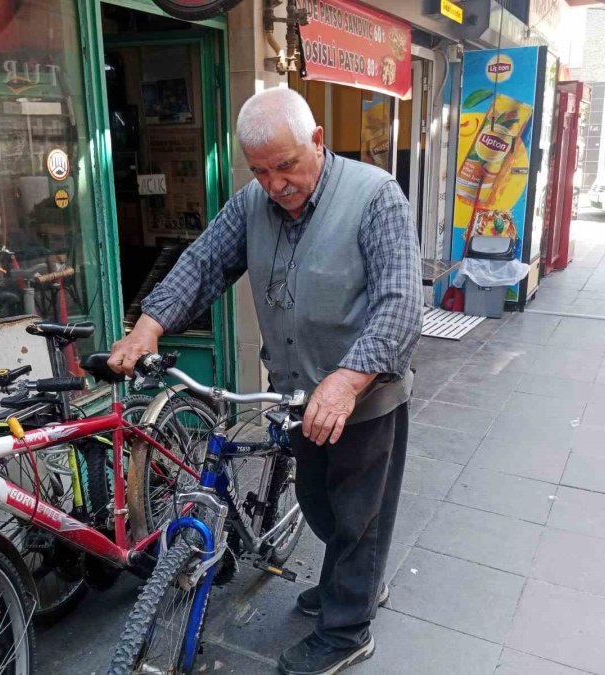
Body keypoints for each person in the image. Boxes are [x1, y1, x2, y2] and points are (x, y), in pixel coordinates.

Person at [107, 87, 422, 675]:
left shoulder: (375, 196)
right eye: (260, 170)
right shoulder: (253, 201)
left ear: (318, 142)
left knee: (358, 517)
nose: (275, 184)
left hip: (365, 394)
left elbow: (401, 304)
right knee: (318, 504)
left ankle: (348, 628)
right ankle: (352, 581)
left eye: (286, 166)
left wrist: (348, 380)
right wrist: (147, 327)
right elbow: (203, 263)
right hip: (295, 393)